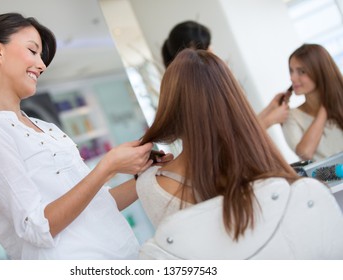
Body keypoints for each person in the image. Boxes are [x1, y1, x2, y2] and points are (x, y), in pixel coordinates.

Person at [0, 12, 159, 260]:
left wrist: (150, 175)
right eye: (32, 51)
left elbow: (99, 203)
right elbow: (36, 227)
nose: (42, 65)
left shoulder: (47, 128)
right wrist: (107, 167)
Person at [136, 48, 343, 259]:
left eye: (301, 71)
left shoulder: (152, 186)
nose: (294, 78)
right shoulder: (264, 165)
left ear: (171, 107)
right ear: (233, 99)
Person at [161, 20, 290, 129]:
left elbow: (241, 128)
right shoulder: (196, 92)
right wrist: (270, 120)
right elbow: (232, 143)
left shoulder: (195, 87)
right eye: (207, 47)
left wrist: (270, 109)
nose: (212, 50)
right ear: (190, 53)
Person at [282, 43, 343, 161]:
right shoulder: (291, 117)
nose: (292, 78)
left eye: (301, 72)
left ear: (320, 71)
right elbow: (305, 153)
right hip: (326, 178)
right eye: (291, 71)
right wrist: (325, 106)